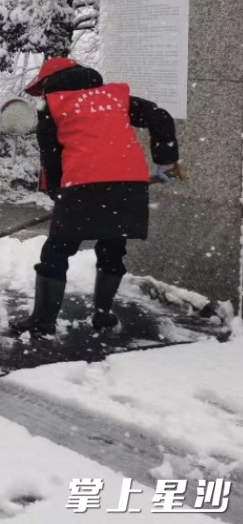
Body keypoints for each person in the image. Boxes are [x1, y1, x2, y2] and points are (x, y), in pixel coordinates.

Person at [10, 58, 186, 337]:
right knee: (113, 247)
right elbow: (160, 116)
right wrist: (165, 160)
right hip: (129, 184)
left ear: (50, 84)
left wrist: (57, 192)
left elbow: (51, 157)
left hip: (83, 183)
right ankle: (103, 316)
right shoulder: (115, 97)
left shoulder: (52, 105)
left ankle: (43, 321)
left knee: (56, 251)